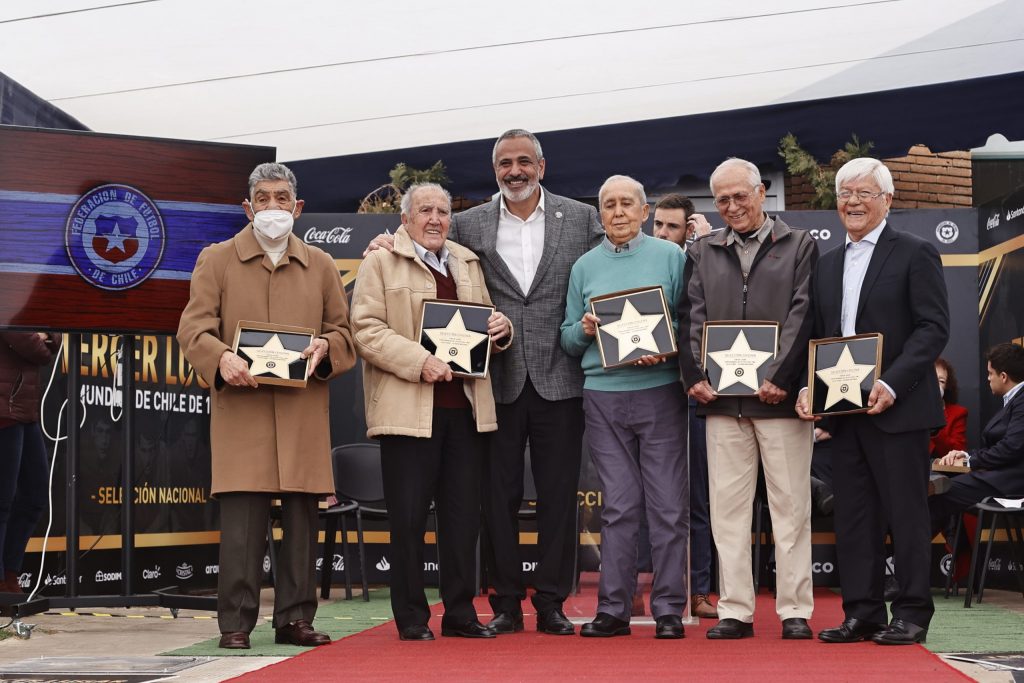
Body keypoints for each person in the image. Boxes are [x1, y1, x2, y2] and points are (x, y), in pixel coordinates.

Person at [366, 129, 603, 635]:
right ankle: (506, 603)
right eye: (503, 163)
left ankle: (553, 603)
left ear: (542, 164)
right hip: (492, 390)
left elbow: (605, 274)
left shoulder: (582, 219)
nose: (514, 171)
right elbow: (399, 276)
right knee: (494, 502)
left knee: (559, 499)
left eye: (523, 161)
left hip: (557, 378)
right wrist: (386, 240)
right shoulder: (467, 226)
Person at [177, 162, 356, 650]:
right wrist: (222, 358)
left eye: (282, 198)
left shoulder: (320, 264)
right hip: (243, 408)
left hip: (301, 412)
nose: (272, 207)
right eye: (263, 198)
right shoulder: (216, 259)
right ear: (247, 207)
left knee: (302, 519)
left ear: (297, 207)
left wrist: (325, 349)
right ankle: (235, 623)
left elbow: (344, 334)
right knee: (242, 525)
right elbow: (192, 330)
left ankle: (295, 619)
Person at [798, 157, 949, 646]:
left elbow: (933, 328)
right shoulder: (827, 264)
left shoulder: (915, 252)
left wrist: (892, 383)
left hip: (898, 411)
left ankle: (910, 613)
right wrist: (809, 387)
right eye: (846, 193)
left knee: (906, 514)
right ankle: (861, 611)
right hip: (843, 414)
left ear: (887, 200)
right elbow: (820, 336)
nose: (853, 202)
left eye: (864, 193)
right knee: (854, 516)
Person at [352, 183, 512, 641]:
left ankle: (460, 614)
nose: (436, 218)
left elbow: (484, 324)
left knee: (463, 518)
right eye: (425, 210)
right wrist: (419, 361)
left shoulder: (466, 261)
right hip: (408, 412)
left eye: (443, 210)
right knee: (408, 520)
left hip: (465, 410)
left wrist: (501, 330)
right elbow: (365, 330)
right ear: (405, 219)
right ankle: (412, 618)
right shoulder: (379, 261)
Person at [678, 157, 818, 640]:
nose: (732, 206)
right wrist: (693, 374)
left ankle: (795, 608)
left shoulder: (798, 244)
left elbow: (804, 313)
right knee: (727, 510)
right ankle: (735, 609)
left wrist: (783, 375)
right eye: (722, 199)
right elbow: (690, 316)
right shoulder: (703, 250)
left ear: (762, 193)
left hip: (777, 401)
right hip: (721, 403)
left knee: (791, 507)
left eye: (741, 196)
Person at [560, 176, 689, 639]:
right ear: (600, 213)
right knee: (618, 506)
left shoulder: (672, 257)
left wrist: (669, 348)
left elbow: (687, 321)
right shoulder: (583, 267)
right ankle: (613, 609)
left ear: (644, 210)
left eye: (626, 204)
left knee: (669, 506)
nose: (617, 212)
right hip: (604, 395)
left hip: (660, 392)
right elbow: (568, 337)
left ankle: (670, 609)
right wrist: (587, 330)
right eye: (609, 205)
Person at [649, 193, 718, 619]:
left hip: (693, 394)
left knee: (697, 496)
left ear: (690, 228)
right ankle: (647, 585)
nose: (662, 233)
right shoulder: (643, 261)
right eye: (657, 224)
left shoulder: (704, 260)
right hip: (652, 390)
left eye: (672, 227)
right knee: (649, 497)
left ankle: (700, 590)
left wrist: (704, 249)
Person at [930, 343, 1024, 535]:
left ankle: (908, 557)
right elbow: (1001, 446)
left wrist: (969, 461)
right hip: (998, 478)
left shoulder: (1022, 400)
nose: (988, 378)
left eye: (990, 373)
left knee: (940, 493)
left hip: (1009, 483)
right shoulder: (1015, 401)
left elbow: (1011, 448)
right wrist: (965, 456)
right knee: (938, 493)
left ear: (1003, 376)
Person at [0, 331, 60, 594]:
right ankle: (3, 581)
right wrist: (41, 339)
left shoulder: (33, 291)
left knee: (35, 496)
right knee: (2, 501)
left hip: (25, 410)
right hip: (4, 408)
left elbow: (56, 337)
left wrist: (46, 336)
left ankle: (9, 574)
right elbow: (24, 340)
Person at [930, 357, 968, 459]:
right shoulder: (908, 411)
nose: (935, 385)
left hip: (938, 471)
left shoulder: (958, 413)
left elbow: (958, 452)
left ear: (947, 386)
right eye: (931, 379)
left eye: (941, 381)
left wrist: (936, 426)